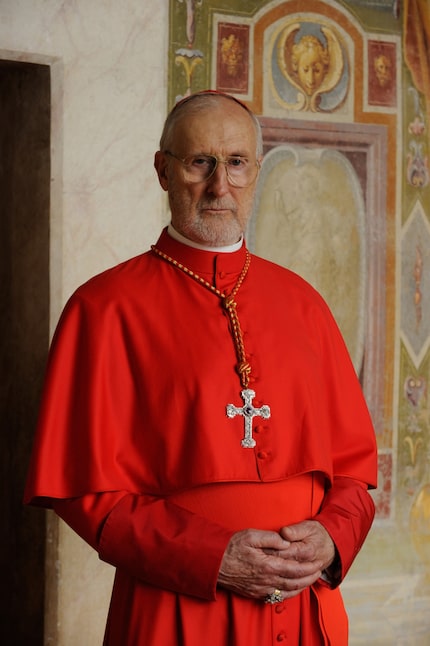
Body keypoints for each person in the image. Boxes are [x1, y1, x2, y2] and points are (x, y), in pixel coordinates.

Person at [24, 90, 377, 645]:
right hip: (178, 610)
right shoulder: (104, 308)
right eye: (200, 163)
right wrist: (212, 556)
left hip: (305, 611)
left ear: (256, 171)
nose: (220, 186)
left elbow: (355, 472)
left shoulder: (304, 303)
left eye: (236, 163)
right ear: (163, 171)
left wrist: (333, 537)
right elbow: (83, 492)